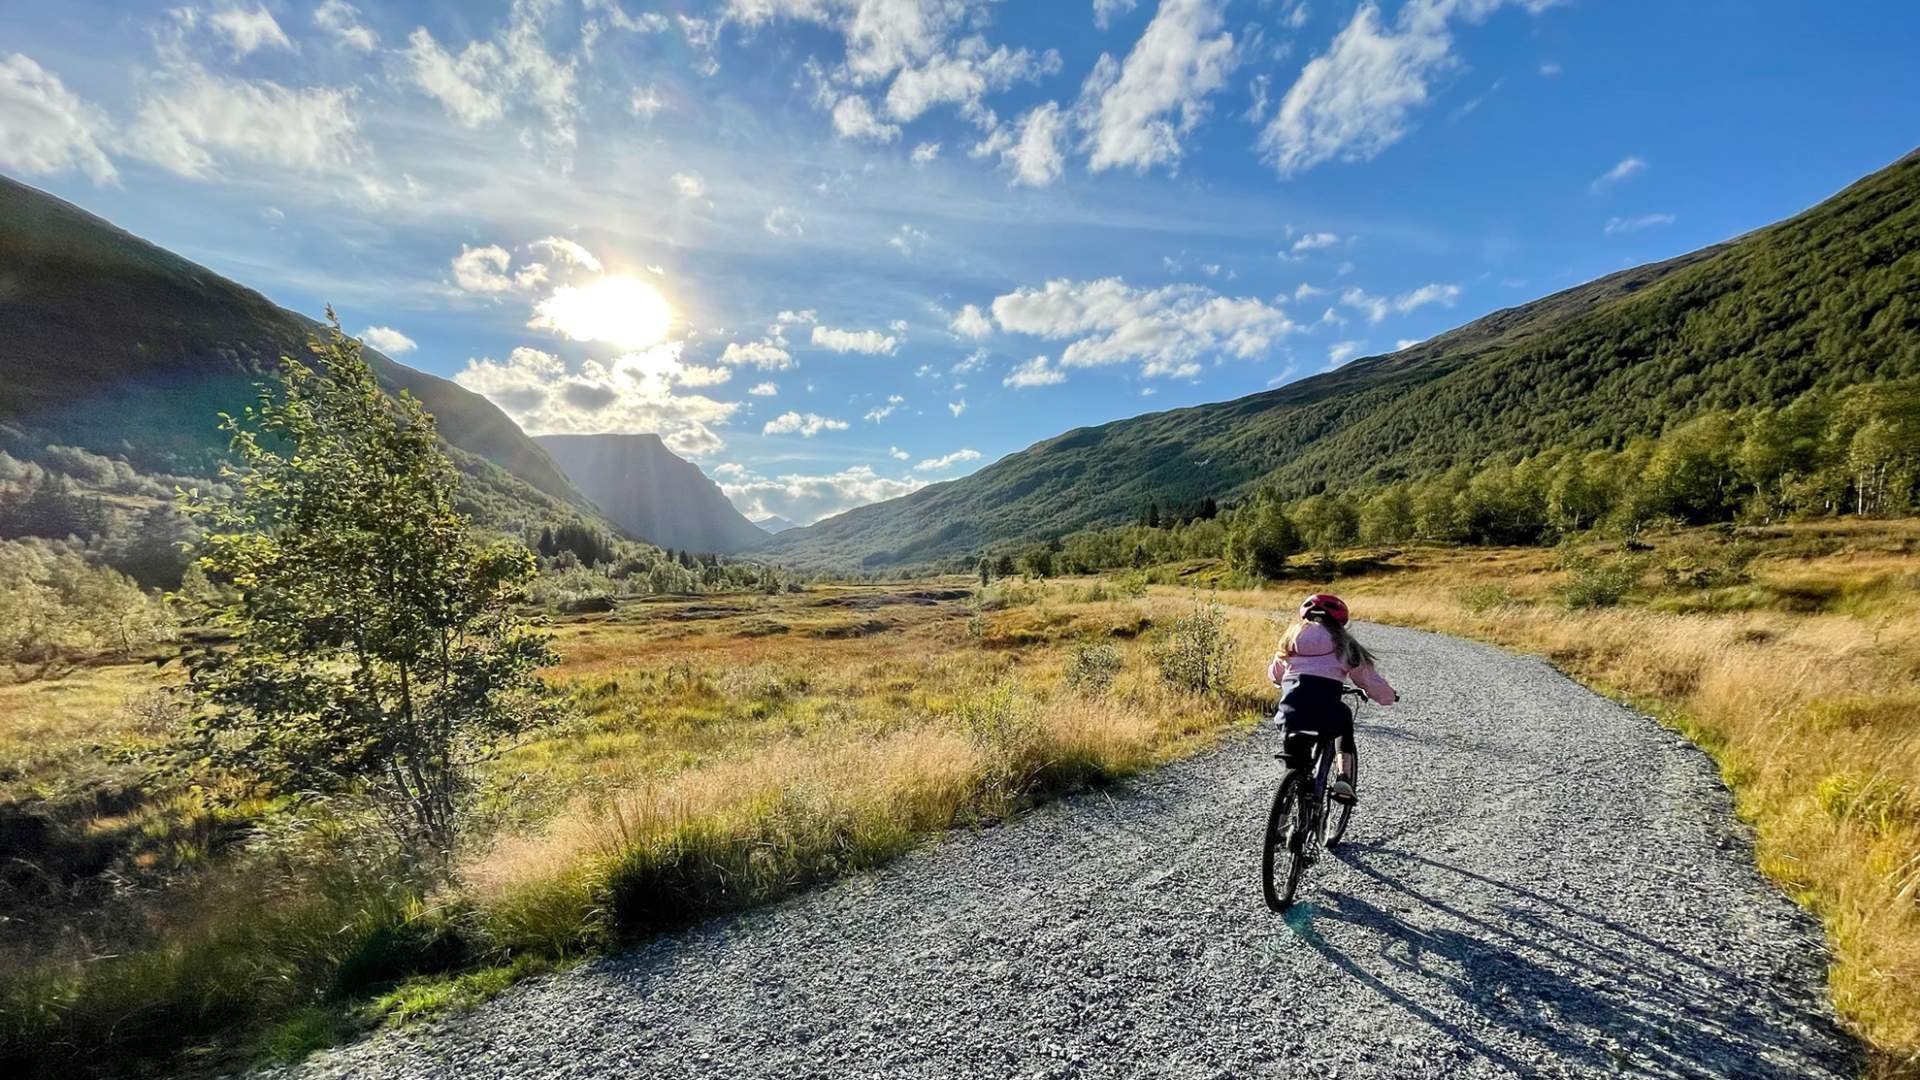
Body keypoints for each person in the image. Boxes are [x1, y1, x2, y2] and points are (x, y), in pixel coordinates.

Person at [1268, 593, 1396, 804]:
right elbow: (1368, 679)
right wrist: (1388, 696)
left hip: (1289, 716)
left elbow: (1276, 674)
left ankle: (1287, 808)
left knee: (1297, 763)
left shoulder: (1290, 640)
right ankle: (1343, 777)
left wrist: (1281, 681)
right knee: (1343, 717)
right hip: (1325, 715)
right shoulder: (1345, 645)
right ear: (1340, 620)